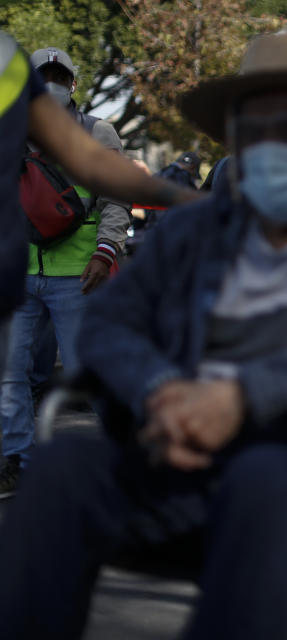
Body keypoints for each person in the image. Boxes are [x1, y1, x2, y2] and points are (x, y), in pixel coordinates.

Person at [0, 30, 287, 639]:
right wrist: (160, 392)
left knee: (264, 475)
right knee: (65, 465)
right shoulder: (202, 227)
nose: (269, 147)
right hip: (193, 458)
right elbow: (111, 320)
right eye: (251, 128)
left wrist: (242, 397)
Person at [0, 40, 196, 497]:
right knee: (9, 377)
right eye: (42, 79)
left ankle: (114, 460)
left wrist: (105, 251)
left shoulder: (98, 132)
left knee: (92, 373)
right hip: (18, 274)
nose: (52, 86)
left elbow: (115, 199)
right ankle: (18, 461)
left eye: (60, 79)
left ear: (73, 84)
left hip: (79, 274)